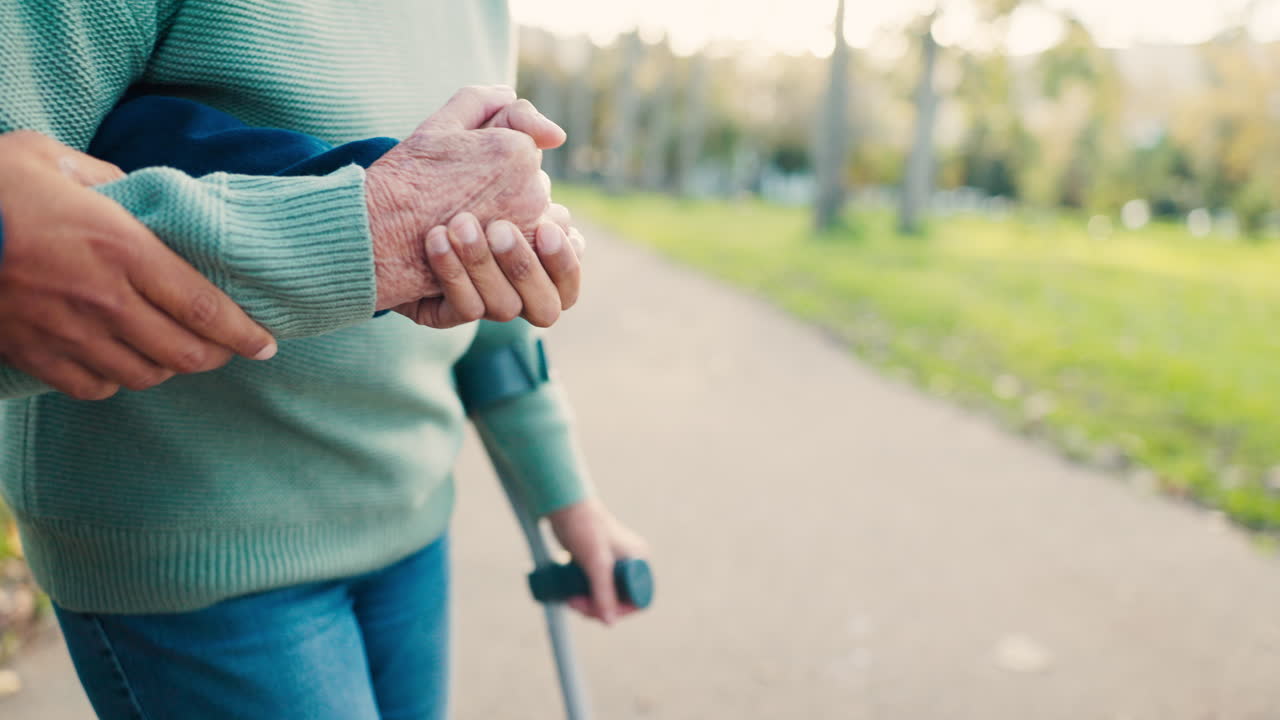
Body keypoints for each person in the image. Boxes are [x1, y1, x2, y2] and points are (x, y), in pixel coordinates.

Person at [0, 2, 647, 719]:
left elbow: (486, 300)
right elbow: (24, 257)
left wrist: (569, 497)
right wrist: (377, 229)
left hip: (410, 523)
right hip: (202, 549)